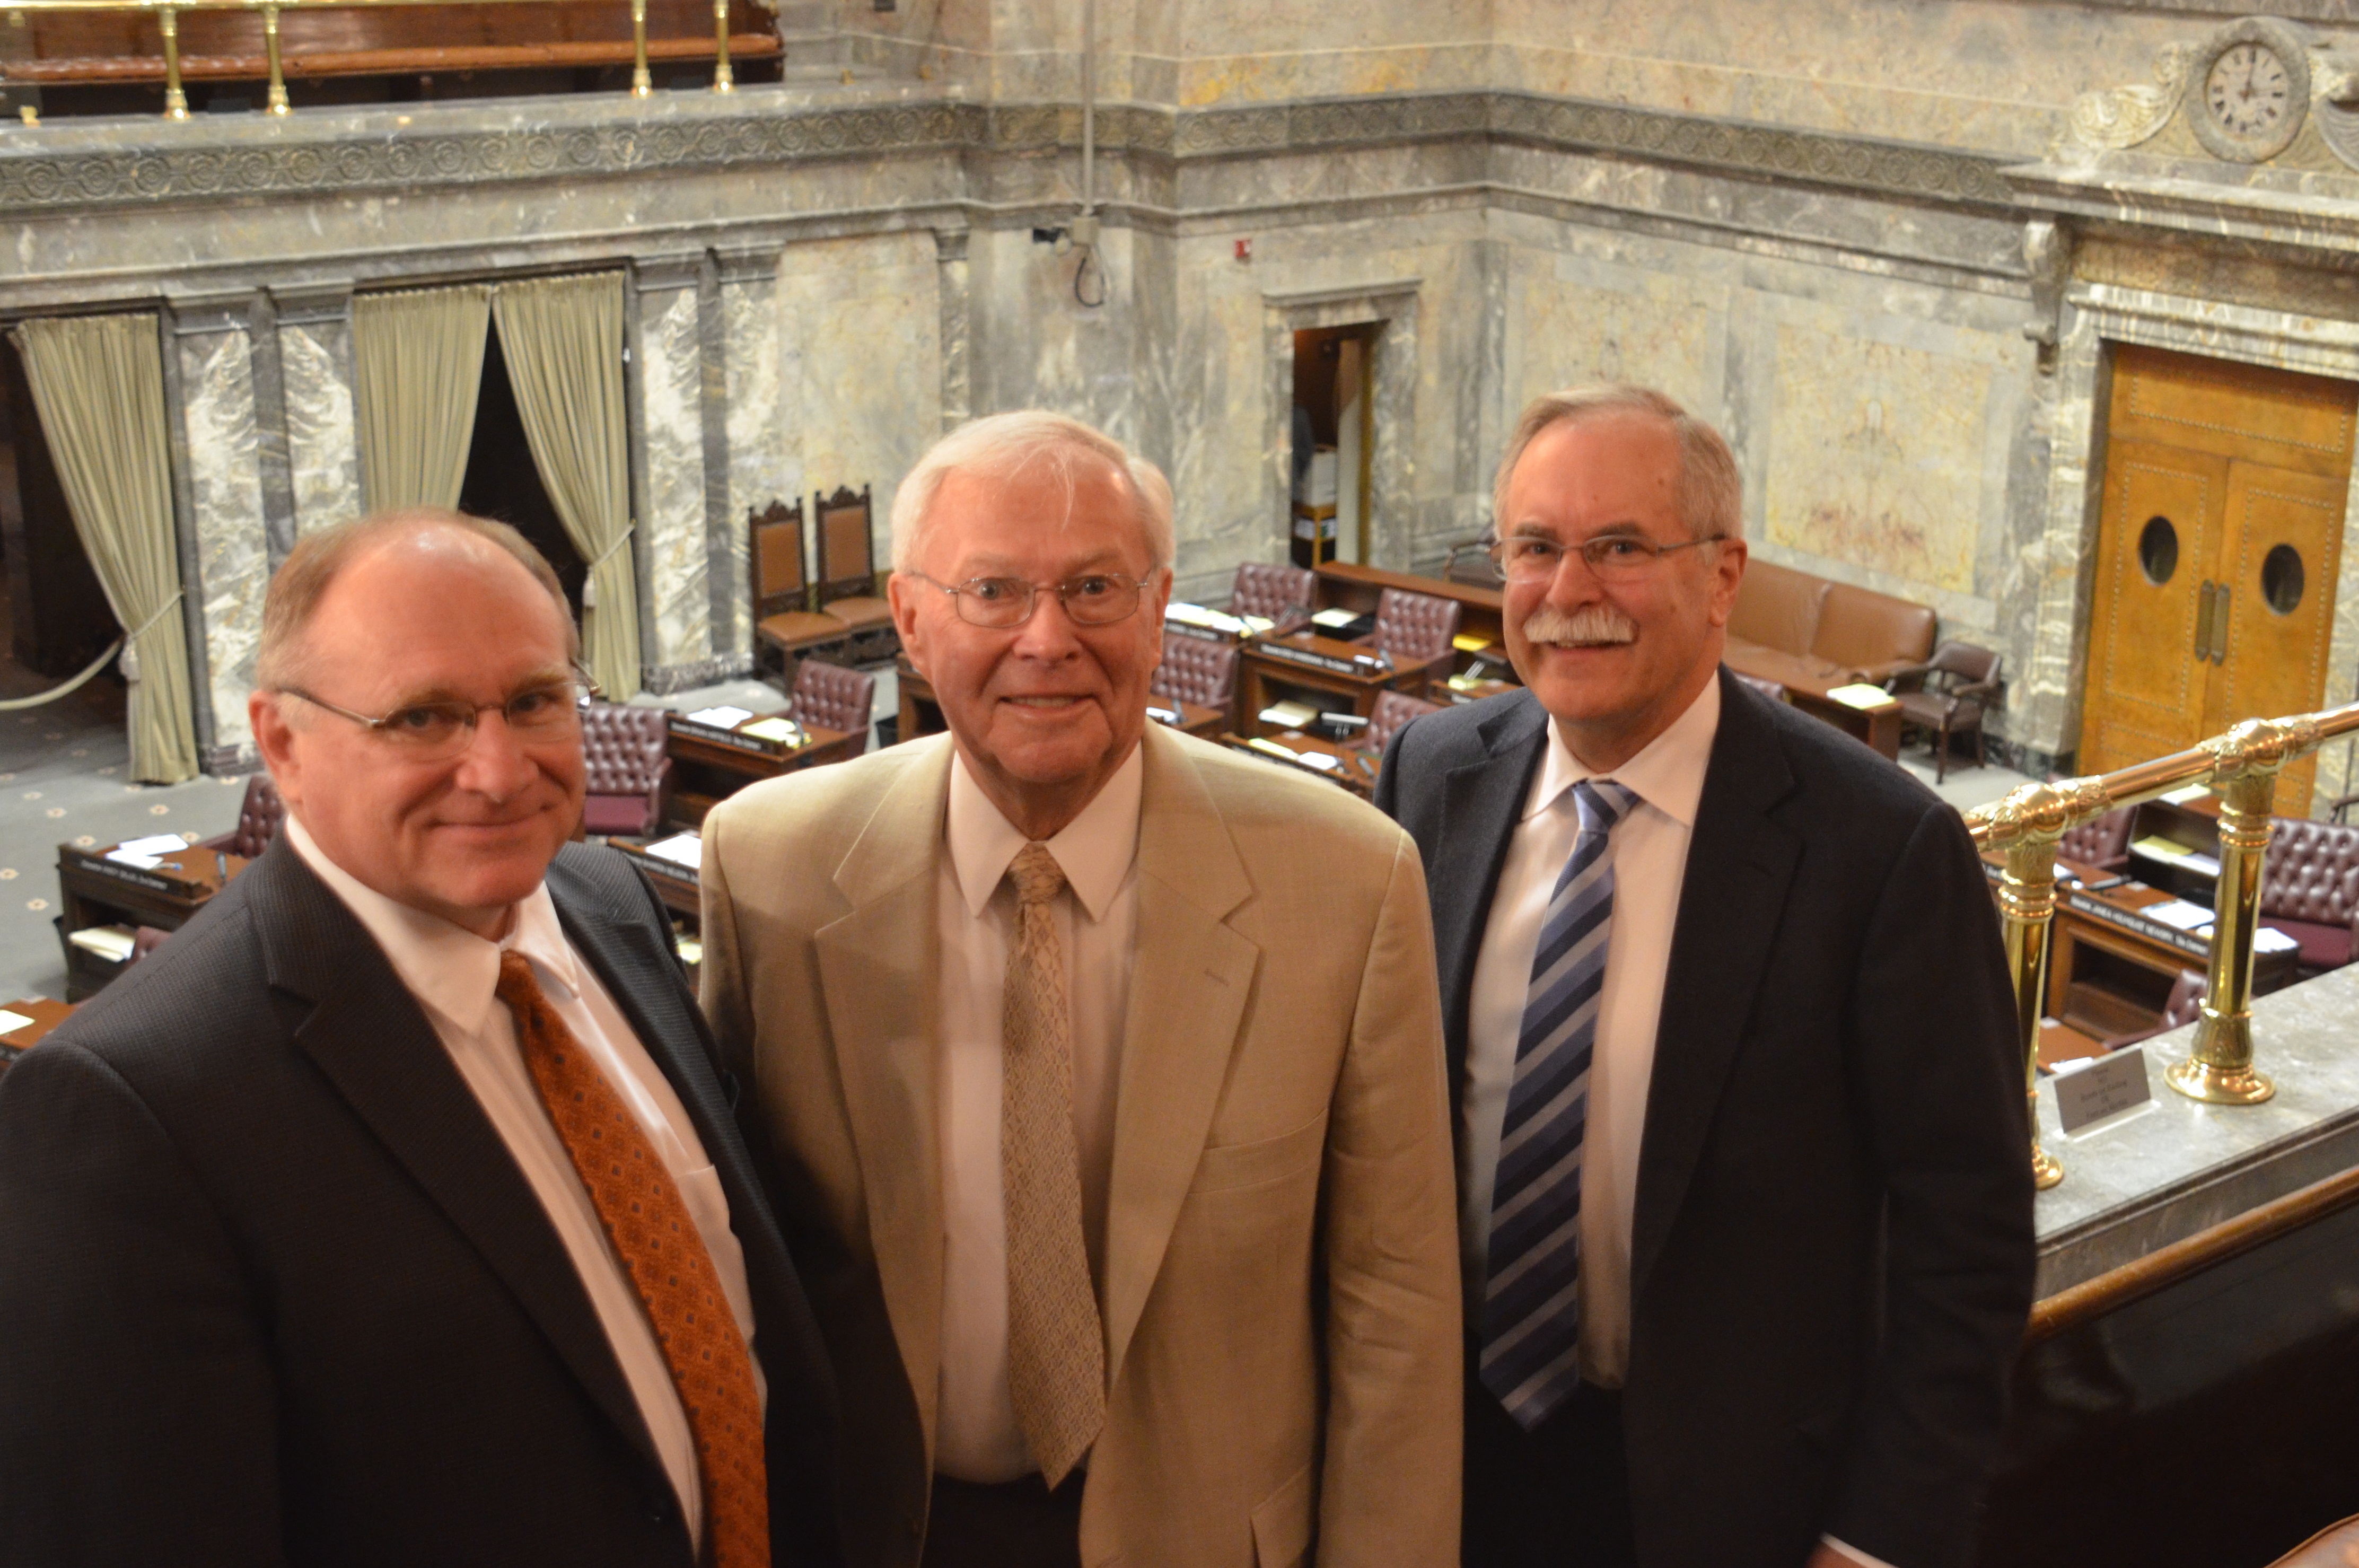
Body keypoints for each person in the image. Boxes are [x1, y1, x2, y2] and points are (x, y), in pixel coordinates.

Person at [0, 511, 838, 1568]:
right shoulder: (133, 1109)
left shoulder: (606, 900)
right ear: (283, 744)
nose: (495, 772)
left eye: (534, 701)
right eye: (422, 719)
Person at [699, 410, 1462, 1568]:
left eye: (1094, 588)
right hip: (885, 1534)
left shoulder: (1348, 882)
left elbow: (1393, 1313)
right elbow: (737, 1270)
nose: (1046, 640)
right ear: (909, 619)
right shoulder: (768, 870)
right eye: (993, 591)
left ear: (1159, 608)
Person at [1375, 386, 2034, 1568]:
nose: (1566, 595)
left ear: (1722, 576)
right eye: (1533, 548)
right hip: (1443, 1467)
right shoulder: (1432, 774)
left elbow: (1966, 1238)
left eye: (1618, 548)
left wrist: (1880, 1537)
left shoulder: (1879, 852)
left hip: (1727, 1503)